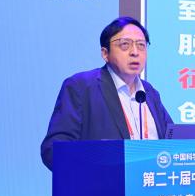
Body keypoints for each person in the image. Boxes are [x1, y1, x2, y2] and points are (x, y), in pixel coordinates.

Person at [41, 16, 174, 170]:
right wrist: (97, 166)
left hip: (149, 182)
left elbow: (173, 140)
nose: (135, 52)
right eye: (125, 45)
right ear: (105, 53)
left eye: (141, 45)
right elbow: (53, 150)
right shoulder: (81, 87)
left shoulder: (150, 93)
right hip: (100, 183)